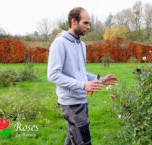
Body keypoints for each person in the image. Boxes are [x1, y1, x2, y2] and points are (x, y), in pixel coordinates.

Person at [47, 7, 118, 145]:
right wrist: (83, 85)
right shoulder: (60, 43)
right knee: (84, 142)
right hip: (71, 104)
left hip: (81, 101)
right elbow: (53, 75)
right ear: (74, 22)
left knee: (73, 140)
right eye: (85, 23)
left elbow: (80, 73)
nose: (88, 26)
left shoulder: (82, 44)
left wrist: (100, 80)